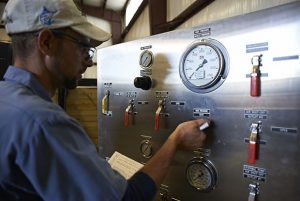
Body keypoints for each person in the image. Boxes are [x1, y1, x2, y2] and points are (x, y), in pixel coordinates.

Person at [0, 0, 209, 200]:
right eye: (83, 47)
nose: (90, 61)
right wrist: (175, 141)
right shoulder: (46, 122)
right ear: (47, 43)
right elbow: (127, 198)